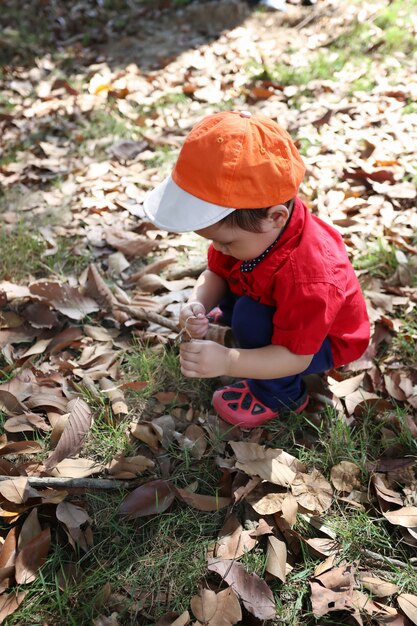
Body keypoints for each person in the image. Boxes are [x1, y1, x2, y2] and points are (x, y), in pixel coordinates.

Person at [143, 111, 370, 428]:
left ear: (275, 217)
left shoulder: (309, 276)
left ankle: (280, 395)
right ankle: (243, 332)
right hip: (271, 300)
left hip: (319, 341)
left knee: (250, 318)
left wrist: (228, 361)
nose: (220, 249)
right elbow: (217, 273)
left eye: (226, 242)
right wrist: (198, 303)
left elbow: (296, 356)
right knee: (245, 306)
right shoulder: (255, 234)